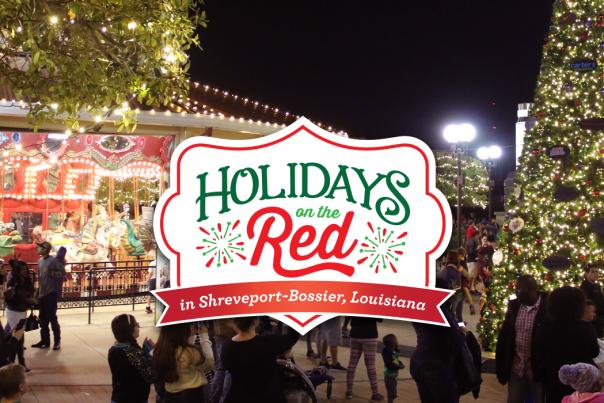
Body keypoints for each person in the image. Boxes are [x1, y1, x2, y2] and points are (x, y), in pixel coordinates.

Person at [410, 278, 466, 403]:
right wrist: (460, 328)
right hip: (438, 365)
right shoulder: (440, 312)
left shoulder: (419, 308)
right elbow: (457, 340)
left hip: (419, 362)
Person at [496, 275, 548, 403]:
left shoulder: (547, 309)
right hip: (517, 368)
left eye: (519, 290)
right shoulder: (514, 307)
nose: (516, 293)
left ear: (532, 290)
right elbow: (505, 336)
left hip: (537, 370)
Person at [222, 316, 299, 403]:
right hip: (268, 396)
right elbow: (292, 337)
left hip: (238, 396)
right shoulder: (268, 342)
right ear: (256, 322)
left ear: (234, 323)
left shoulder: (227, 347)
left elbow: (228, 367)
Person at [542, 286, 599, 403]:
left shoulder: (546, 328)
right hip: (581, 383)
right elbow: (594, 351)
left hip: (553, 380)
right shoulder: (585, 328)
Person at [153, 322, 214, 402]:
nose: (192, 327)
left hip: (170, 396)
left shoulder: (160, 350)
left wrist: (190, 337)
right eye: (190, 325)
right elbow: (209, 364)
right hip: (192, 396)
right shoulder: (190, 351)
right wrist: (204, 337)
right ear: (182, 330)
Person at [108, 314, 156, 403]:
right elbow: (151, 375)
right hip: (134, 398)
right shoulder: (132, 352)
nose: (138, 327)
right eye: (136, 325)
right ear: (129, 330)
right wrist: (154, 352)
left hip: (118, 397)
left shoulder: (113, 349)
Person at [31, 241, 65, 351]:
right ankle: (45, 341)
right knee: (42, 320)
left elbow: (62, 273)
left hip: (50, 294)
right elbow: (41, 278)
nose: (38, 249)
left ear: (45, 249)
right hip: (42, 294)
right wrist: (37, 291)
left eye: (40, 247)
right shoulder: (40, 261)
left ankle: (57, 341)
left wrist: (53, 274)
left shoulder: (53, 261)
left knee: (52, 319)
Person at [3, 260, 34, 370]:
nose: (25, 271)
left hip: (21, 311)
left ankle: (15, 363)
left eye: (25, 269)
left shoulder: (26, 280)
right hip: (13, 311)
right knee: (17, 338)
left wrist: (30, 299)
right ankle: (15, 363)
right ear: (17, 270)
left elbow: (29, 293)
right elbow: (15, 298)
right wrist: (29, 300)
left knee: (18, 338)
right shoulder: (14, 282)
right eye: (22, 270)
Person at [345, 317, 384, 401]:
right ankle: (375, 393)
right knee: (371, 366)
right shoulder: (373, 303)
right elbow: (380, 319)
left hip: (355, 334)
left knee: (352, 364)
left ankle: (349, 391)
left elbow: (348, 315)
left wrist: (344, 326)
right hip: (369, 335)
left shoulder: (355, 303)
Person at [209, 320, 235, 403]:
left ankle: (214, 398)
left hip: (218, 331)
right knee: (229, 369)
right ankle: (223, 399)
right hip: (232, 332)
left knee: (220, 368)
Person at [581, 265, 604, 337]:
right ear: (586, 274)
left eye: (597, 272)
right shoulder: (584, 287)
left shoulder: (597, 286)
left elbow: (600, 301)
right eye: (593, 271)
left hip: (599, 318)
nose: (596, 274)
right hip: (592, 320)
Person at [381, 334, 405, 403]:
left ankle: (391, 399)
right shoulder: (387, 353)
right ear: (393, 343)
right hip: (389, 376)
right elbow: (389, 365)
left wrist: (400, 363)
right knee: (392, 393)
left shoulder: (393, 351)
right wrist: (399, 367)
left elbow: (396, 360)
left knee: (392, 392)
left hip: (393, 375)